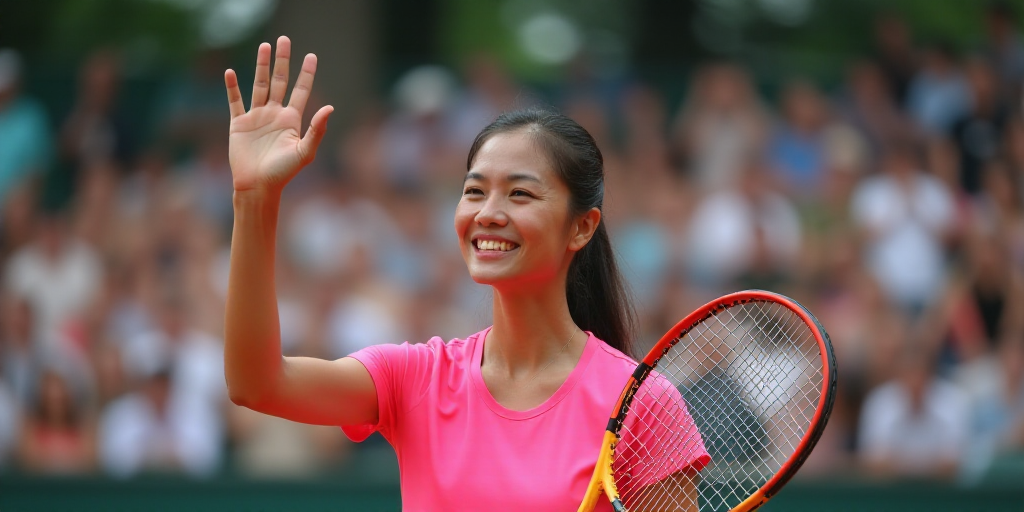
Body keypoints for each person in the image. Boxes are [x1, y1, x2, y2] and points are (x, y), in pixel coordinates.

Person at [222, 37, 709, 511]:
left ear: (581, 227)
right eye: (475, 191)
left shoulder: (643, 406)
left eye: (520, 194)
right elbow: (258, 383)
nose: (489, 213)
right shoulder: (414, 379)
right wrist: (254, 198)